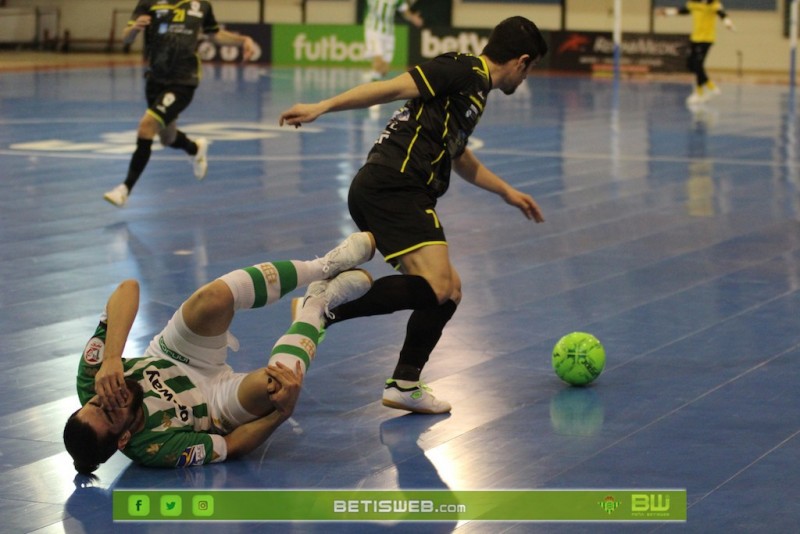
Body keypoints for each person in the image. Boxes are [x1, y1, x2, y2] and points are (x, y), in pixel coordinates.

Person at [280, 17, 547, 414]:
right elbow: (390, 87)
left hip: (399, 190)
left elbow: (458, 155)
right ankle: (322, 306)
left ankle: (405, 382)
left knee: (449, 291)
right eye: (531, 69)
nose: (527, 78)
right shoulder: (463, 68)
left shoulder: (474, 92)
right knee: (438, 285)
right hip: (393, 185)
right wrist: (324, 106)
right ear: (521, 61)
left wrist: (506, 192)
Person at [63, 232, 376, 472]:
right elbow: (231, 444)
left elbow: (128, 288)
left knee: (213, 297)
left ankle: (323, 266)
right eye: (108, 412)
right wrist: (281, 415)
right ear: (124, 440)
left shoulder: (92, 379)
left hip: (171, 355)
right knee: (279, 386)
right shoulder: (158, 450)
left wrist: (112, 357)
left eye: (94, 402)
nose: (104, 399)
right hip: (212, 401)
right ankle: (316, 307)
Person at [103, 0, 256, 207]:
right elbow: (126, 38)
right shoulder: (149, 3)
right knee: (167, 137)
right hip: (155, 79)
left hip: (183, 80)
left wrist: (243, 39)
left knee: (146, 126)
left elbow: (215, 34)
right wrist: (133, 29)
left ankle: (124, 189)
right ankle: (194, 148)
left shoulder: (201, 5)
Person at [657, 1, 735, 105]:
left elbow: (722, 14)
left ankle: (700, 92)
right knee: (690, 65)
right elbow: (682, 11)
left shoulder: (713, 4)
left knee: (698, 65)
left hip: (707, 39)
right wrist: (666, 12)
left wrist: (728, 23)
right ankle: (709, 86)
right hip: (696, 38)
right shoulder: (694, 4)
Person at [363, 0, 424, 82]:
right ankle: (371, 86)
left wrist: (413, 18)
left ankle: (373, 78)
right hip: (374, 31)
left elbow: (404, 11)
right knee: (378, 61)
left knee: (384, 70)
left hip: (389, 33)